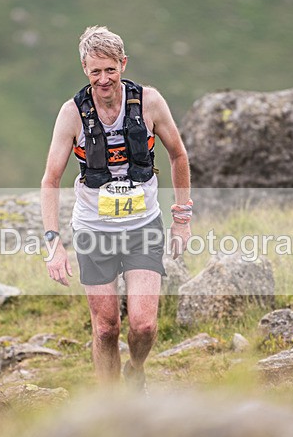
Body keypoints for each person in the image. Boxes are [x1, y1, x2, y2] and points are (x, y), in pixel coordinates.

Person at [40, 26, 192, 389]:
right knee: (107, 327)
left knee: (144, 324)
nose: (104, 79)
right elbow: (50, 180)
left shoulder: (149, 102)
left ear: (123, 64)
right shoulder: (71, 114)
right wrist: (53, 245)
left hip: (143, 228)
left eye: (110, 69)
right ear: (85, 70)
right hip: (94, 231)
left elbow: (178, 155)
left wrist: (182, 218)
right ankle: (109, 406)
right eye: (96, 71)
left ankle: (136, 369)